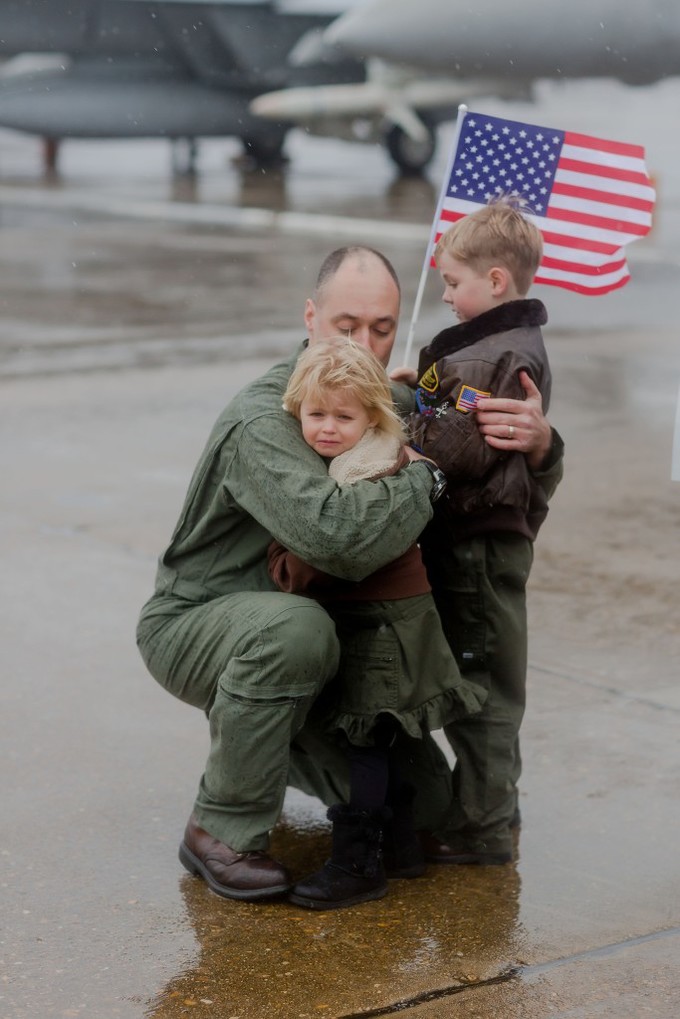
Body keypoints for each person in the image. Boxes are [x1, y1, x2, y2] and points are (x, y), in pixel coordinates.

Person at [136, 244, 561, 902]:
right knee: (295, 634)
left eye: (383, 328)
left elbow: (487, 518)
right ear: (311, 317)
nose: (366, 343)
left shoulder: (381, 401)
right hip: (204, 618)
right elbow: (340, 541)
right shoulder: (263, 418)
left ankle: (267, 732)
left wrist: (536, 448)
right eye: (347, 325)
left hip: (323, 633)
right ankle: (219, 825)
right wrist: (430, 464)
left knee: (431, 816)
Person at [267, 339, 486, 909]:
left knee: (364, 741)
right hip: (392, 623)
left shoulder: (364, 475)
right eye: (316, 415)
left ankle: (357, 863)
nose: (328, 429)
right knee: (381, 746)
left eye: (344, 416)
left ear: (372, 417)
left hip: (384, 630)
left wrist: (281, 564)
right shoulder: (367, 456)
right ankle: (402, 849)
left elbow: (325, 559)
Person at [391, 198, 562, 866]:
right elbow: (453, 403)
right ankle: (490, 809)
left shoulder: (498, 355)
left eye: (454, 282)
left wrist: (403, 423)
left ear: (496, 283)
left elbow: (460, 446)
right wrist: (423, 389)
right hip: (476, 544)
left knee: (483, 690)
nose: (445, 294)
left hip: (479, 547)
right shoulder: (489, 351)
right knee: (481, 682)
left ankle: (484, 831)